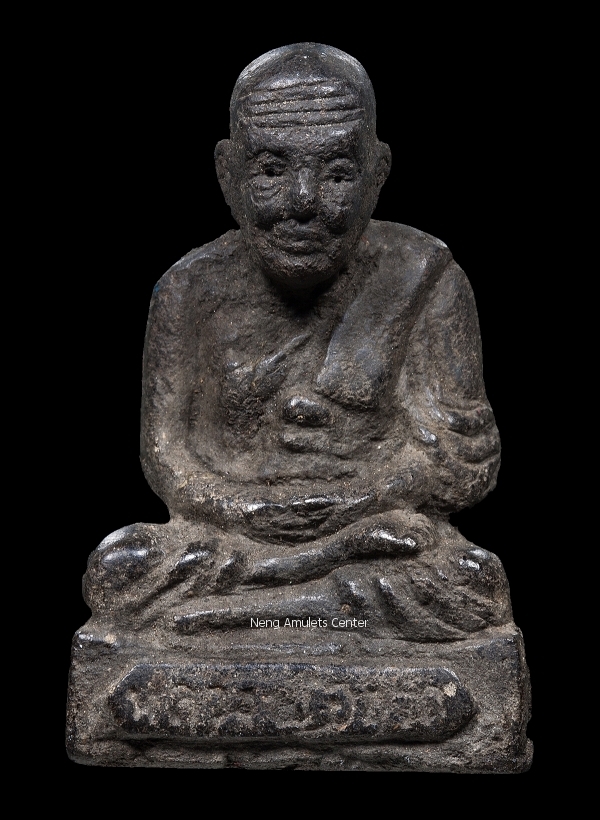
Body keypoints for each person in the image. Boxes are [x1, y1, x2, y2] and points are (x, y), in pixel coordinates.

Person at [84, 44, 511, 640]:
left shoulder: (424, 276)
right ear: (227, 173)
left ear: (377, 173)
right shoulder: (189, 289)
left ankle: (248, 611)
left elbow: (466, 461)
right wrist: (246, 510)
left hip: (374, 531)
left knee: (468, 581)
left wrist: (362, 501)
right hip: (234, 533)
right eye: (270, 171)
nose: (304, 201)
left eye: (337, 173)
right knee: (119, 568)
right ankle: (305, 593)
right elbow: (165, 455)